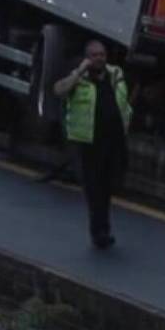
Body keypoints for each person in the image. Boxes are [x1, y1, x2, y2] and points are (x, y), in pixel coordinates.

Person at [49, 40, 131, 249]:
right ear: (87, 58)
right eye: (94, 55)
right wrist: (78, 72)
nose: (99, 58)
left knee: (109, 186)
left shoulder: (115, 75)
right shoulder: (79, 78)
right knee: (94, 189)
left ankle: (103, 227)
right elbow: (59, 90)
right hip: (88, 143)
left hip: (113, 142)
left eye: (102, 54)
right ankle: (99, 232)